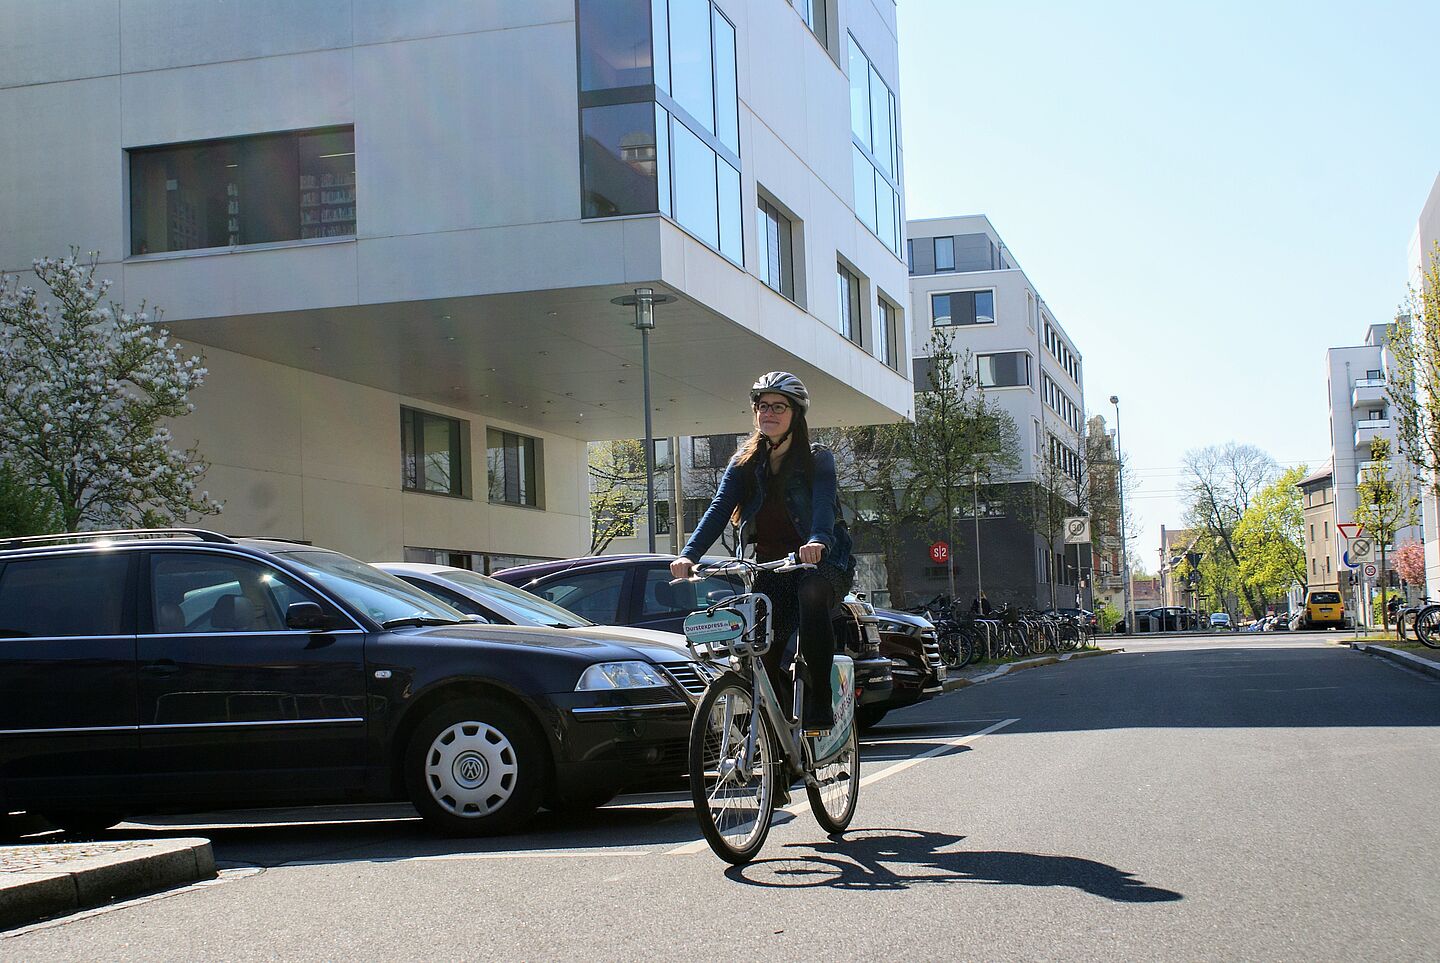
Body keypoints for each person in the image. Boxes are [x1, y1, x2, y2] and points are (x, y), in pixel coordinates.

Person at [670, 371, 854, 731]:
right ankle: (780, 759)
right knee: (762, 661)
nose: (769, 413)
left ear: (795, 414)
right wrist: (689, 554)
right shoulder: (744, 463)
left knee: (811, 592)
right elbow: (719, 509)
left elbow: (822, 505)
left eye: (778, 407)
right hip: (770, 567)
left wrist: (817, 540)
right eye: (762, 406)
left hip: (822, 562)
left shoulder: (817, 458)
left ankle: (819, 700)